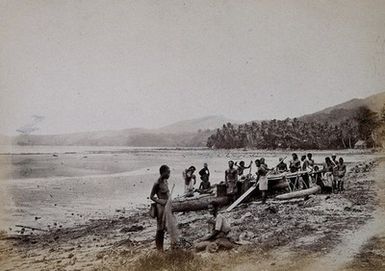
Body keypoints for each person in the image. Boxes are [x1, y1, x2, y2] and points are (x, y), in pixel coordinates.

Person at [150, 165, 171, 251]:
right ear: (163, 172)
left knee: (164, 227)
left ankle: (161, 248)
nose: (169, 173)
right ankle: (159, 249)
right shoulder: (157, 183)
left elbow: (167, 193)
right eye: (168, 172)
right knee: (160, 227)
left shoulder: (166, 181)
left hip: (167, 206)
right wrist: (159, 201)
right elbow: (151, 196)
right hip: (160, 207)